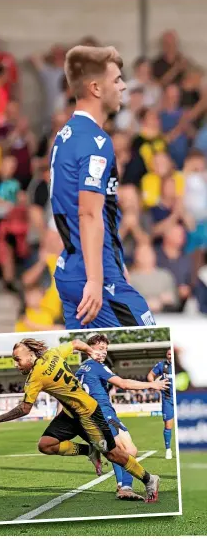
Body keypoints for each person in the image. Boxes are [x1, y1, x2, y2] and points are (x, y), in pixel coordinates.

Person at [49, 45, 156, 328]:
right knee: (156, 360)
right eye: (117, 80)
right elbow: (88, 213)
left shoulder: (65, 136)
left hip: (74, 268)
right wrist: (97, 279)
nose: (122, 87)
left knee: (92, 368)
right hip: (96, 275)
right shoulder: (96, 141)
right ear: (96, 88)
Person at [0, 338, 164, 502]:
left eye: (17, 359)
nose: (15, 364)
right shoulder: (53, 354)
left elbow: (24, 408)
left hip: (89, 414)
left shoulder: (35, 377)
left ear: (30, 355)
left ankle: (149, 479)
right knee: (46, 444)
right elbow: (76, 343)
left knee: (113, 453)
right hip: (70, 414)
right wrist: (89, 350)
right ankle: (89, 450)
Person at [75, 333, 168, 500]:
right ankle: (126, 487)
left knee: (117, 450)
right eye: (100, 348)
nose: (103, 352)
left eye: (106, 349)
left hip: (90, 415)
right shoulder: (97, 366)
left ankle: (122, 484)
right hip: (103, 414)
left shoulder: (81, 369)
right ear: (89, 349)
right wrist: (152, 384)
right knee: (129, 450)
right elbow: (124, 383)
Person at [147, 349, 174, 460]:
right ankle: (168, 449)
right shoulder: (161, 365)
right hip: (167, 399)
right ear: (166, 355)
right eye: (169, 354)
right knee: (168, 426)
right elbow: (150, 375)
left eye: (172, 353)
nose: (171, 356)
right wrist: (155, 385)